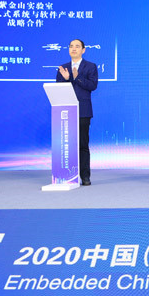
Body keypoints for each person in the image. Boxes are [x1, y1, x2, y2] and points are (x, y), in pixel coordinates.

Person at [56, 39, 98, 186]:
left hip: (83, 111)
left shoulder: (91, 66)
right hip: (65, 111)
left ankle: (85, 176)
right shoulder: (63, 68)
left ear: (83, 50)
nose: (74, 49)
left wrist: (76, 77)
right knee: (67, 144)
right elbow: (59, 88)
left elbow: (93, 85)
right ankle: (66, 174)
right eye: (71, 46)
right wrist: (66, 79)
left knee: (82, 144)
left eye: (77, 46)